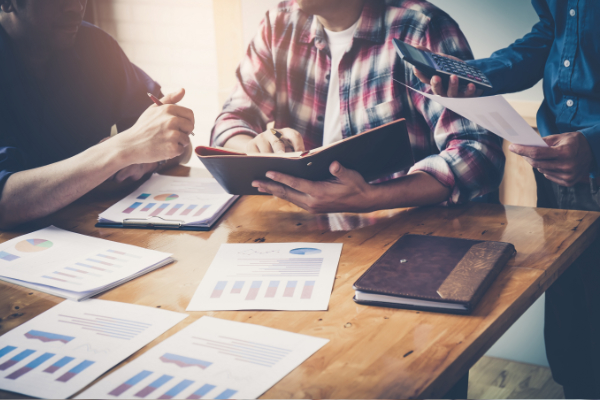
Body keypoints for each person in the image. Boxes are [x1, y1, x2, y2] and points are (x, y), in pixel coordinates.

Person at [413, 0, 600, 397]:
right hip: (556, 170)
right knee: (573, 335)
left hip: (589, 155)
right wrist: (473, 75)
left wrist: (595, 146)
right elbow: (551, 34)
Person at [211, 0, 505, 214]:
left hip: (410, 231)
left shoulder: (422, 27)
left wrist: (373, 197)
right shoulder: (278, 24)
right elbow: (231, 120)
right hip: (309, 228)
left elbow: (479, 154)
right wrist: (256, 145)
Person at [0, 0, 195, 229]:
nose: (75, 7)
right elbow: (5, 205)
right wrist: (119, 151)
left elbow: (179, 141)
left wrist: (149, 160)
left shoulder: (96, 46)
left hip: (95, 230)